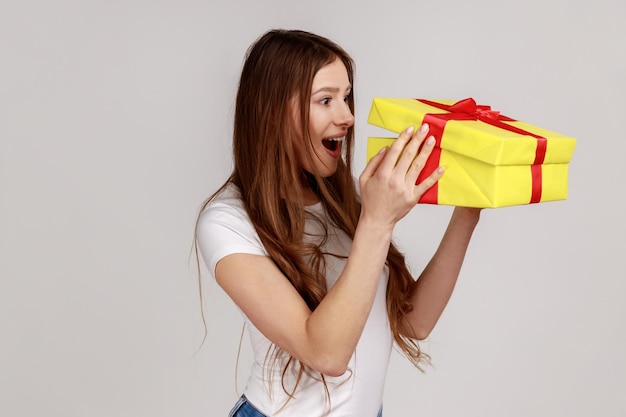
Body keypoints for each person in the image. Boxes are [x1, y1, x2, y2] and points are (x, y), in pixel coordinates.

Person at [195, 29, 481, 417]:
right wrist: (377, 222)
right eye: (325, 100)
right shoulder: (226, 222)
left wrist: (469, 209)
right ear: (272, 112)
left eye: (346, 97)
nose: (347, 117)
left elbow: (415, 321)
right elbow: (325, 353)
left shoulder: (343, 200)